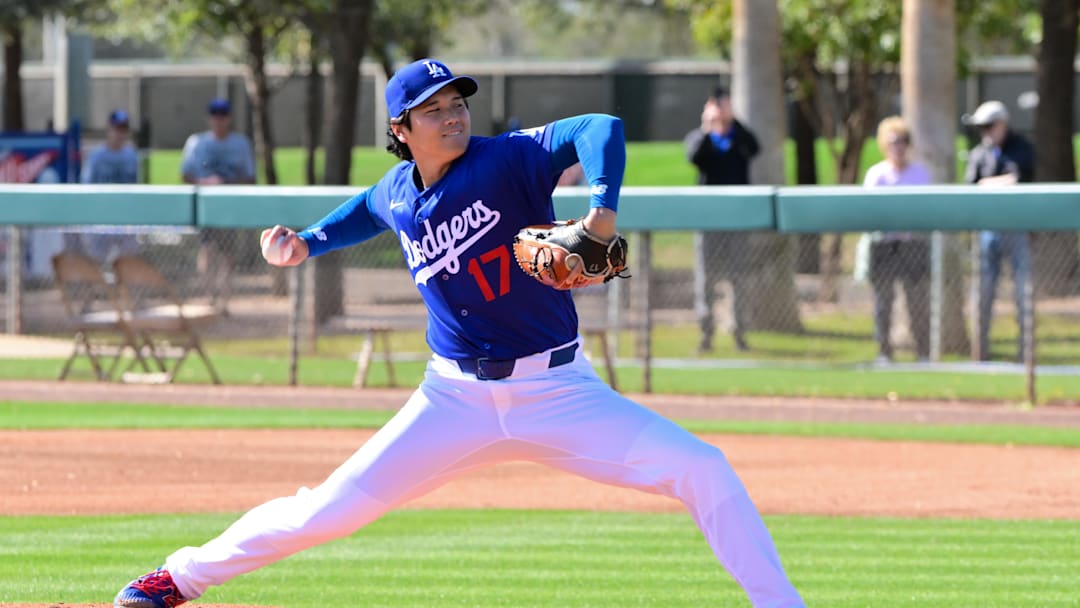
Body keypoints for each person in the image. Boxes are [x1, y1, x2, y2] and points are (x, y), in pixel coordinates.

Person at [112, 58, 804, 608]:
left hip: (559, 390)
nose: (453, 116)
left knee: (703, 468)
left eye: (458, 103)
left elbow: (601, 127)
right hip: (452, 401)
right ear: (400, 130)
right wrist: (309, 242)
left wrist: (600, 213)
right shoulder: (397, 191)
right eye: (434, 110)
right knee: (323, 511)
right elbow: (365, 210)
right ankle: (177, 580)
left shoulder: (507, 159)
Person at [683, 86, 760, 352]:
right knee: (706, 280)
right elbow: (694, 157)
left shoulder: (739, 136)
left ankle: (740, 333)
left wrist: (732, 119)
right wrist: (708, 127)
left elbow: (754, 148)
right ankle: (707, 335)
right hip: (708, 222)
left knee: (740, 279)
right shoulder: (700, 138)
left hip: (737, 222)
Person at [962, 100, 1035, 362]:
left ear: (1002, 124)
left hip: (1016, 229)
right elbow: (970, 185)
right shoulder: (980, 153)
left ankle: (1026, 354)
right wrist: (992, 183)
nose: (986, 132)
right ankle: (980, 354)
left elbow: (1016, 179)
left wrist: (986, 183)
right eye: (982, 128)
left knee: (1022, 293)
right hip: (987, 231)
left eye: (989, 126)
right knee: (983, 293)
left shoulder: (1021, 148)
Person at [860, 116, 932, 363]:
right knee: (883, 303)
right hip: (884, 245)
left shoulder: (920, 173)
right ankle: (884, 352)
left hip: (913, 243)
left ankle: (923, 352)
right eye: (893, 142)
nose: (898, 147)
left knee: (918, 302)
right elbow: (869, 209)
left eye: (902, 141)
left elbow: (925, 208)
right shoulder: (876, 175)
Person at [181, 97, 256, 315]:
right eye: (215, 115)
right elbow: (186, 175)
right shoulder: (197, 142)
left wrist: (226, 183)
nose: (219, 120)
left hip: (229, 206)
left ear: (229, 118)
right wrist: (207, 182)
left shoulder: (240, 144)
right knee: (207, 250)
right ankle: (209, 297)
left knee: (228, 255)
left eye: (223, 115)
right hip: (206, 206)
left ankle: (224, 300)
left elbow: (249, 177)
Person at [76, 109, 141, 262]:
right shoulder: (97, 156)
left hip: (125, 218)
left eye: (123, 129)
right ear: (109, 129)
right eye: (117, 128)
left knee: (127, 262)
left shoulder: (131, 155)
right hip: (101, 217)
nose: (120, 133)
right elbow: (87, 186)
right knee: (97, 261)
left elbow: (137, 186)